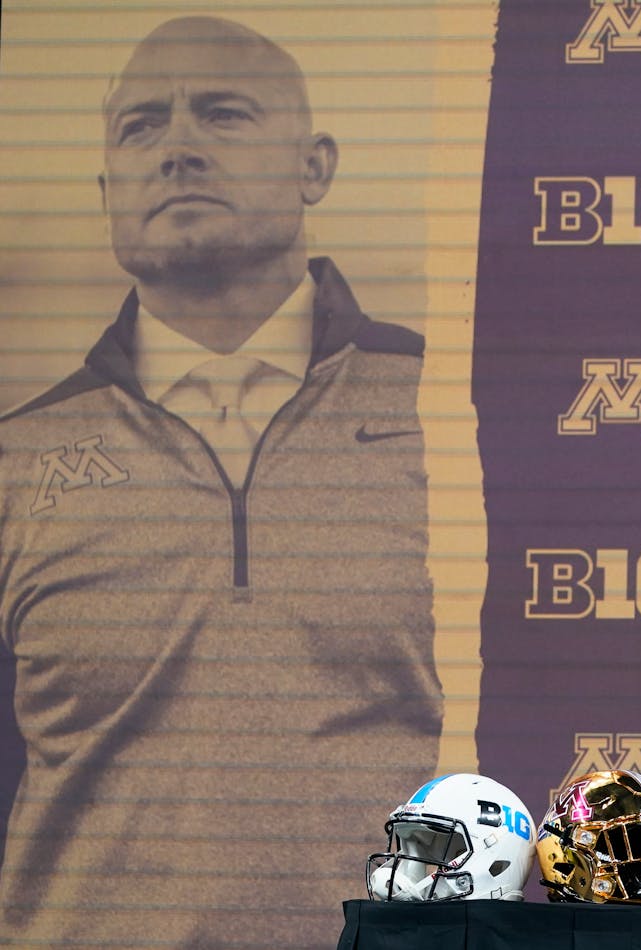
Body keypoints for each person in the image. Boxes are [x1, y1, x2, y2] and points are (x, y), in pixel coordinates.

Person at [0, 17, 441, 946]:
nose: (178, 150)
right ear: (106, 189)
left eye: (223, 114)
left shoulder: (456, 414)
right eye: (142, 128)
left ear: (315, 166)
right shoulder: (19, 458)